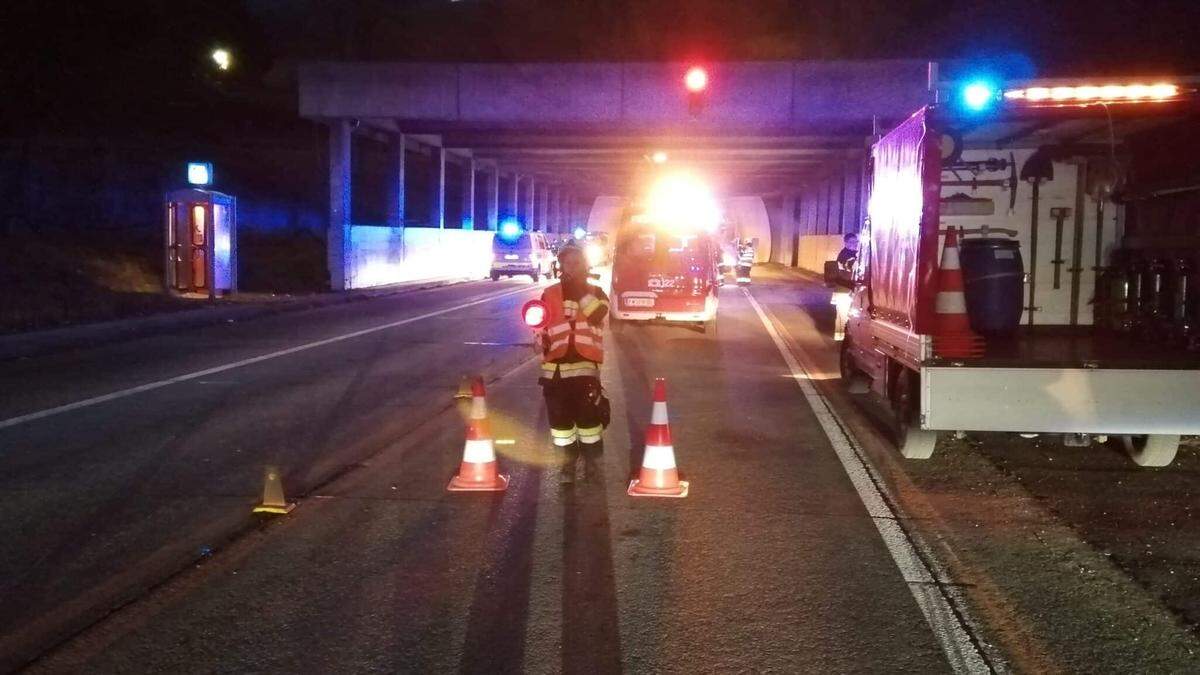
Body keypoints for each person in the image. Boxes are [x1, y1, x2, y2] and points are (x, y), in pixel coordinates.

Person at [535, 243, 610, 484]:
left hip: (585, 370)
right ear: (561, 265)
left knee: (589, 424)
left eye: (577, 262)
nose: (572, 267)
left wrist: (578, 289)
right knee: (561, 427)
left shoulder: (597, 292)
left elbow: (597, 315)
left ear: (586, 265)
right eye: (568, 262)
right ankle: (566, 467)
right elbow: (540, 323)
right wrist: (539, 337)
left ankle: (592, 464)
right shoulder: (549, 293)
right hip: (554, 371)